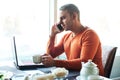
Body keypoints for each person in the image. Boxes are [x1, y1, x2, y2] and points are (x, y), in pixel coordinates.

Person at [41, 4, 104, 76]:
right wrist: (52, 36)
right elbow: (51, 55)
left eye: (63, 18)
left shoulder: (90, 34)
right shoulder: (66, 36)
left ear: (74, 16)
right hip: (74, 75)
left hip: (91, 77)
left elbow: (84, 62)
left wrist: (55, 62)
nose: (60, 22)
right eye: (59, 19)